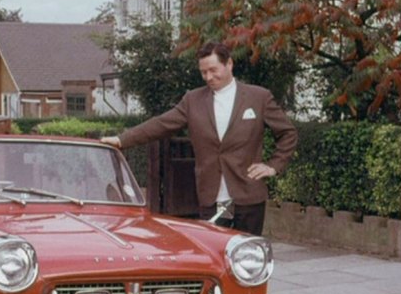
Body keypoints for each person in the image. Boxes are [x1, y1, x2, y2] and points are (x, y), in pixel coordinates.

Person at [101, 41, 298, 236]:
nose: (208, 77)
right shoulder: (192, 100)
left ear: (229, 64)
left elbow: (288, 133)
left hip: (248, 196)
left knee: (248, 259)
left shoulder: (259, 97)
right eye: (204, 72)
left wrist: (273, 166)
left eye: (213, 70)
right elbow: (161, 124)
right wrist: (121, 139)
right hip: (209, 198)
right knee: (214, 255)